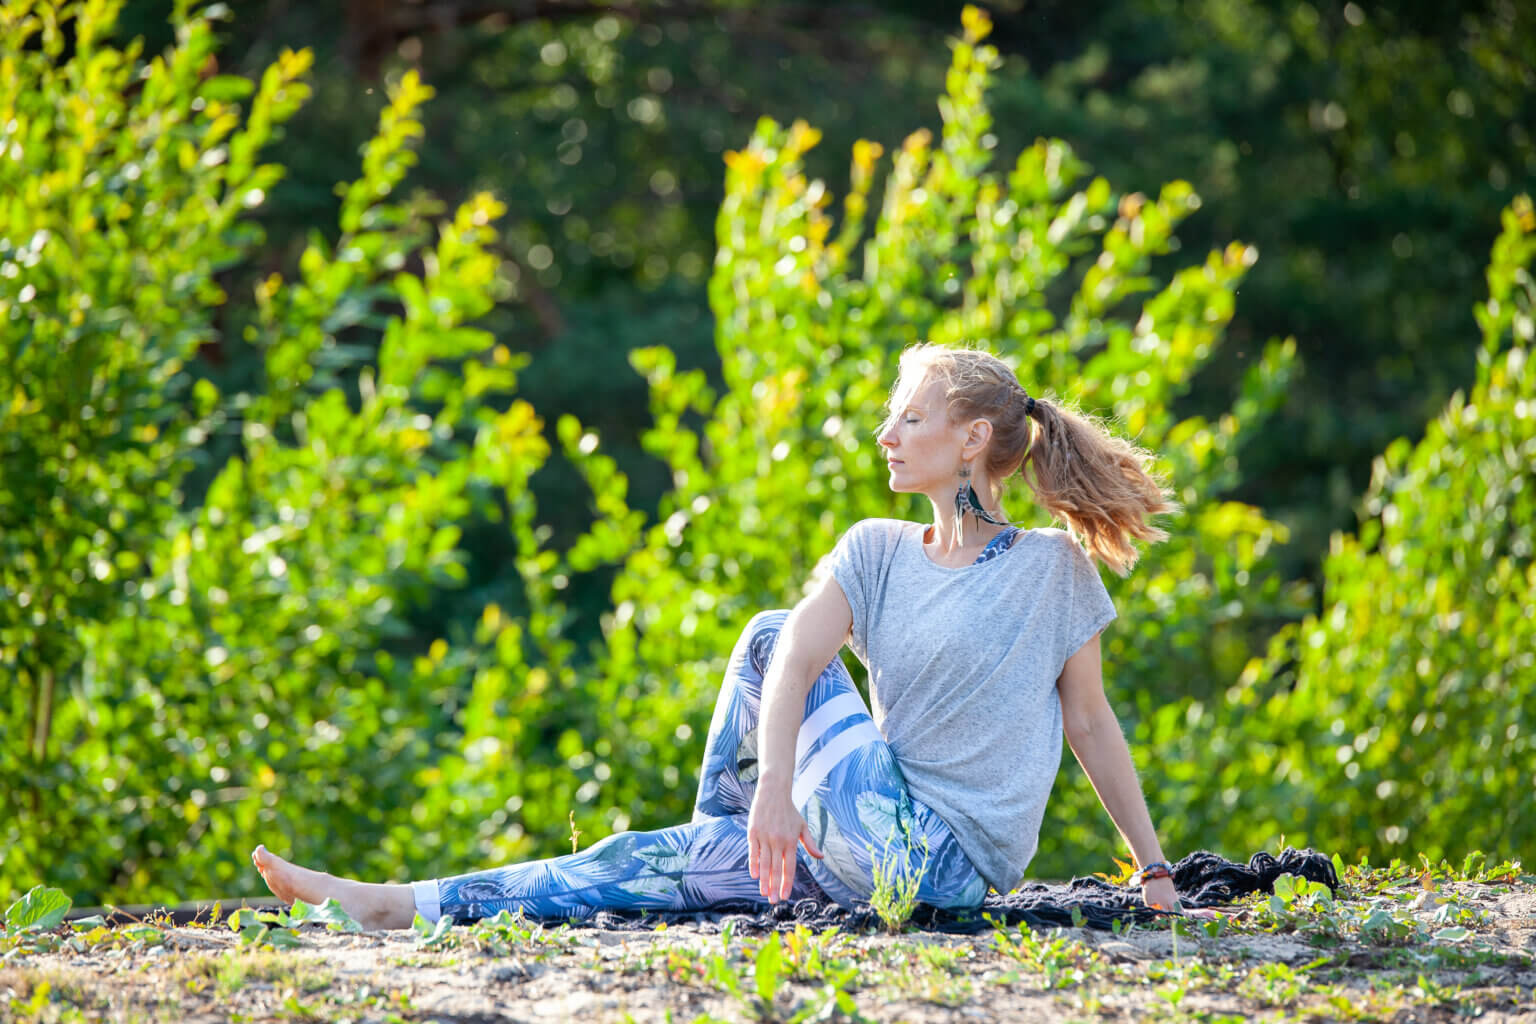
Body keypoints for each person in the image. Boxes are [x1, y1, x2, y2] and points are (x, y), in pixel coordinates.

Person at [252, 342, 1195, 929]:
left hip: (939, 862)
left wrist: (1152, 867)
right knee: (630, 856)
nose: (887, 435)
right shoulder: (875, 550)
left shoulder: (1051, 569)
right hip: (855, 833)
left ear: (975, 439)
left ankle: (735, 846)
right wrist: (771, 790)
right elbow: (789, 657)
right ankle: (396, 903)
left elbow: (1089, 723)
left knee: (777, 635)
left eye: (911, 418)